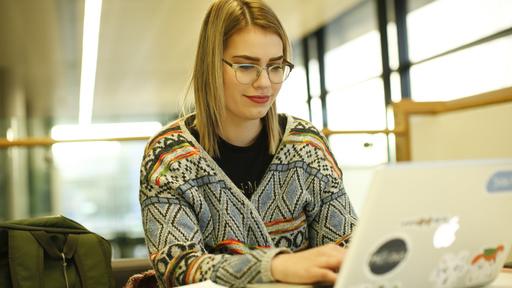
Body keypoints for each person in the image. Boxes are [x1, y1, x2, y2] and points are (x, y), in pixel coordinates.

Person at [138, 0, 358, 287]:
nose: (265, 83)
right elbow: (178, 268)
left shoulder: (307, 147)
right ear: (211, 66)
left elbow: (345, 249)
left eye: (275, 66)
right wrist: (276, 266)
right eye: (246, 66)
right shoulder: (169, 157)